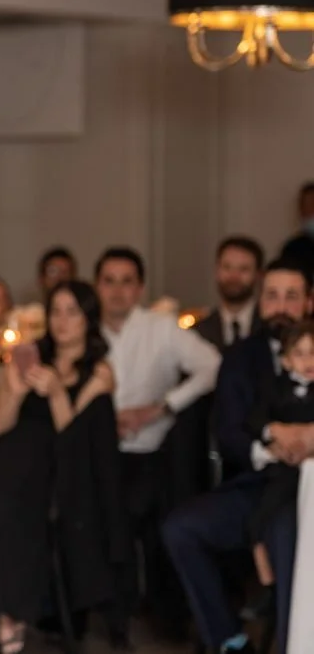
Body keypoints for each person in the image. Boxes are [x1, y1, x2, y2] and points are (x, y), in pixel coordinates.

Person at [0, 281, 124, 654]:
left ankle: (11, 612)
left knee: (17, 515)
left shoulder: (98, 371)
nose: (62, 320)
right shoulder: (32, 357)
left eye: (72, 312)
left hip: (59, 462)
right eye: (55, 311)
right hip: (13, 452)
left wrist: (56, 393)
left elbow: (73, 437)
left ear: (88, 319)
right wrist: (15, 390)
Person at [162, 258, 314, 654]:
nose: (281, 307)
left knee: (285, 533)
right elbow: (228, 432)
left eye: (292, 296)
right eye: (272, 296)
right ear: (260, 302)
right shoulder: (240, 357)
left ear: (308, 302)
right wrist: (270, 445)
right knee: (181, 528)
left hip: (308, 488)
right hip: (258, 480)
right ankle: (230, 639)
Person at [94, 246, 221, 645]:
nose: (117, 291)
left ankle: (164, 613)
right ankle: (109, 613)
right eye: (109, 281)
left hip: (153, 451)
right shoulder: (82, 328)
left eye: (126, 281)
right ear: (97, 286)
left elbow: (213, 365)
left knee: (154, 512)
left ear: (140, 288)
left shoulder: (161, 328)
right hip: (97, 451)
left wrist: (161, 407)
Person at [244, 320, 314, 627]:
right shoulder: (275, 388)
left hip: (311, 473)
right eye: (300, 353)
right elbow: (256, 419)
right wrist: (275, 435)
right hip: (283, 471)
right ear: (286, 360)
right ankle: (267, 585)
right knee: (259, 520)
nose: (308, 361)